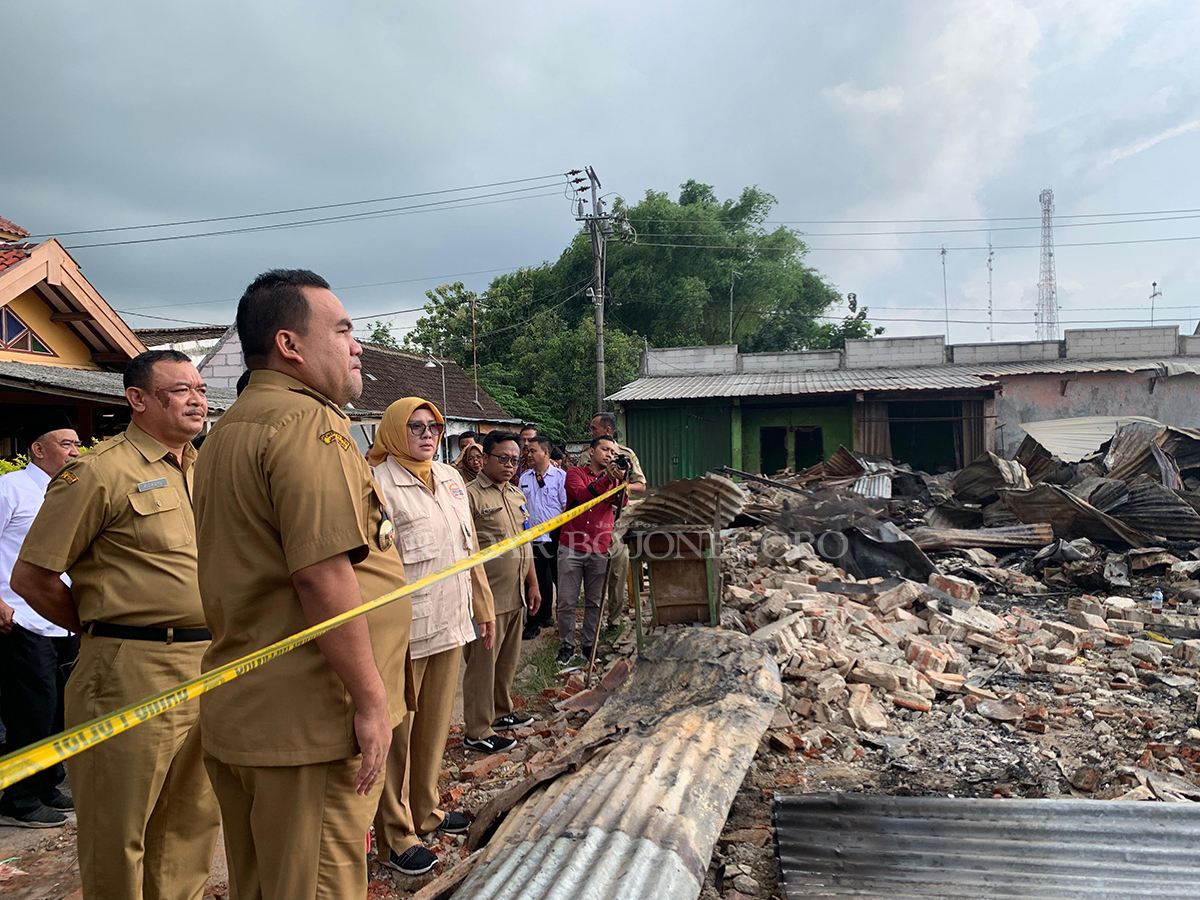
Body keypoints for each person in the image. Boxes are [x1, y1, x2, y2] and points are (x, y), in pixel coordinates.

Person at [192, 269, 413, 900]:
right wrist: (372, 702)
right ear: (290, 345)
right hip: (312, 720)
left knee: (264, 884)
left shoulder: (231, 428)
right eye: (342, 329)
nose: (357, 345)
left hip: (255, 713)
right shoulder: (307, 429)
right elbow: (321, 575)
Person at [12, 350, 221, 900]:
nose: (198, 399)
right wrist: (102, 630)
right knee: (119, 830)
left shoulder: (204, 469)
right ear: (138, 399)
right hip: (130, 670)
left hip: (206, 664)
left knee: (190, 820)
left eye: (199, 387)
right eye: (181, 390)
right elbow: (32, 577)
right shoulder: (99, 471)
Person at [368, 397, 496, 877]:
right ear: (395, 430)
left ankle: (426, 812)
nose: (427, 433)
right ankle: (395, 835)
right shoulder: (377, 482)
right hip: (403, 632)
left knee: (435, 728)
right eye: (416, 426)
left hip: (450, 622)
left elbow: (469, 549)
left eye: (435, 425)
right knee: (397, 737)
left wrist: (481, 606)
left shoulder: (448, 477)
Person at [0, 414, 81, 828]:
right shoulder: (9, 488)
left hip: (63, 616)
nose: (75, 451)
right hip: (20, 617)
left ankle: (46, 781)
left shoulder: (69, 492)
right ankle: (16, 797)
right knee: (30, 708)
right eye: (66, 444)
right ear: (38, 449)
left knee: (59, 708)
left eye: (77, 444)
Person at [462, 431, 541, 753]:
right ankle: (477, 729)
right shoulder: (469, 497)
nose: (510, 465)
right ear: (485, 458)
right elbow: (463, 550)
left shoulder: (516, 495)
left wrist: (533, 583)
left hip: (515, 593)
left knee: (507, 661)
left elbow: (526, 541)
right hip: (486, 598)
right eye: (503, 458)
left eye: (515, 459)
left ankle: (500, 712)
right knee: (482, 665)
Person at [556, 435, 622, 664]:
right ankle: (566, 646)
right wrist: (606, 479)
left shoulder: (615, 479)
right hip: (571, 546)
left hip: (599, 546)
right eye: (605, 450)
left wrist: (624, 480)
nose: (609, 455)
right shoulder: (575, 473)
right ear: (592, 452)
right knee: (566, 600)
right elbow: (583, 496)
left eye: (613, 453)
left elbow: (621, 503)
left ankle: (588, 647)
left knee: (595, 602)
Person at [590, 412, 647, 628]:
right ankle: (593, 618)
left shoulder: (626, 454)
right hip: (593, 522)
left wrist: (622, 484)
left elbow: (641, 485)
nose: (591, 432)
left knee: (617, 573)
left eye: (594, 428)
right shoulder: (590, 453)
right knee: (594, 574)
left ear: (607, 430)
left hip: (617, 523)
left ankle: (613, 620)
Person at [518, 436, 566, 639]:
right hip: (534, 537)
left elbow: (565, 506)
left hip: (556, 535)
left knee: (560, 579)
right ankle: (534, 621)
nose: (529, 455)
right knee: (534, 580)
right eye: (528, 451)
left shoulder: (560, 476)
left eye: (533, 451)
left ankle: (563, 621)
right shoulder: (525, 478)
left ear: (545, 453)